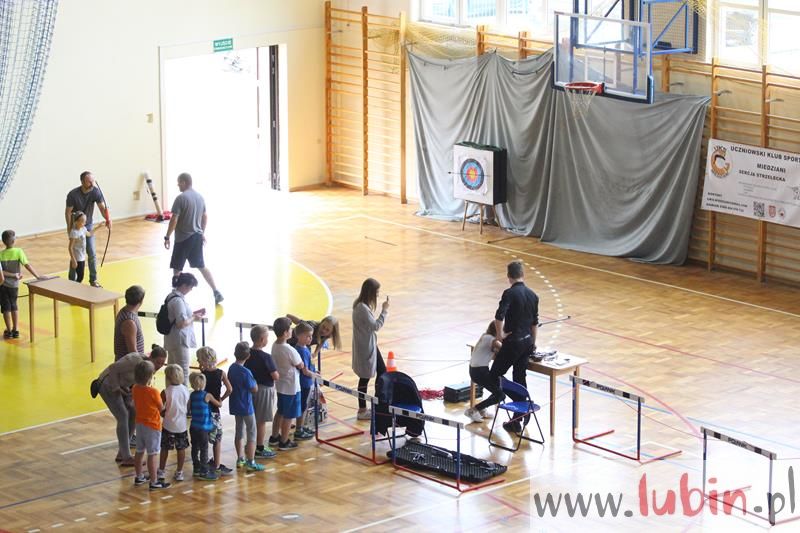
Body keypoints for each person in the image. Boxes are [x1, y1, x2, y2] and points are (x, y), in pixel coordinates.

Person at [487, 260, 539, 432]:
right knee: (520, 377)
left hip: (513, 342)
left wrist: (500, 336)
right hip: (527, 343)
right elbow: (534, 323)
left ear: (509, 276)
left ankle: (521, 402)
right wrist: (533, 343)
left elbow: (499, 316)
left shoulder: (509, 293)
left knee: (493, 376)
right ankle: (517, 419)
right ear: (523, 274)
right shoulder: (533, 295)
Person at [96, 346, 167, 466]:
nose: (159, 366)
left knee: (133, 413)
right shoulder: (135, 361)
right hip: (107, 383)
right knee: (123, 415)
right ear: (151, 357)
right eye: (157, 362)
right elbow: (113, 368)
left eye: (162, 363)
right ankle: (126, 456)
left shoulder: (148, 367)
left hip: (122, 385)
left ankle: (122, 452)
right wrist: (116, 387)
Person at [162, 172, 223, 305]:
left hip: (183, 238)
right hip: (196, 237)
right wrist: (202, 232)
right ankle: (216, 291)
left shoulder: (181, 198)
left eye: (179, 182)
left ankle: (175, 295)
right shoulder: (200, 197)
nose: (178, 185)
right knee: (201, 266)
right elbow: (205, 217)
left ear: (184, 182)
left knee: (177, 267)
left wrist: (167, 236)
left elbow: (174, 219)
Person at [65, 171, 112, 288]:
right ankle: (71, 281)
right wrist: (69, 228)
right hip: (76, 226)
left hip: (88, 224)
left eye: (93, 181)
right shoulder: (73, 194)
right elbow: (68, 212)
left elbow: (102, 208)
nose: (92, 184)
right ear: (82, 182)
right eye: (89, 182)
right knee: (75, 254)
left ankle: (93, 280)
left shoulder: (95, 192)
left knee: (91, 253)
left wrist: (108, 219)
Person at [351, 278, 389, 420]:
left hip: (369, 344)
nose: (378, 295)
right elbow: (376, 326)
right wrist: (384, 311)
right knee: (364, 378)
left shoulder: (361, 305)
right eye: (376, 292)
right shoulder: (362, 308)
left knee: (382, 370)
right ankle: (362, 410)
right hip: (365, 347)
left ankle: (379, 403)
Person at [131, 360, 170, 490]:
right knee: (152, 454)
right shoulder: (153, 392)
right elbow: (161, 408)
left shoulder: (135, 388)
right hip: (152, 426)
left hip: (139, 424)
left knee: (139, 451)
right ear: (150, 376)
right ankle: (154, 482)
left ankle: (139, 476)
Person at [270, 317, 308, 450]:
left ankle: (275, 436)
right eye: (290, 329)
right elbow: (300, 364)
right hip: (291, 387)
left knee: (280, 411)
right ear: (285, 333)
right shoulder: (289, 349)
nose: (292, 331)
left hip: (280, 385)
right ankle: (284, 441)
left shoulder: (274, 345)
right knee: (289, 416)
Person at [228, 341, 265, 472]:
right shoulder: (246, 372)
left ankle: (240, 458)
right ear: (248, 356)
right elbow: (254, 389)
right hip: (246, 405)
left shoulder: (231, 368)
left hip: (235, 404)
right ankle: (251, 461)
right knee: (252, 432)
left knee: (239, 430)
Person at [196, 346, 233, 476]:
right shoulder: (221, 373)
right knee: (217, 438)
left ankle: (202, 464)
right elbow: (230, 389)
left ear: (204, 360)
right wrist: (221, 399)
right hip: (215, 410)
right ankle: (216, 464)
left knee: (203, 437)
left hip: (203, 410)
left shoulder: (201, 376)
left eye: (199, 359)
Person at [244, 325, 279, 459]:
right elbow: (275, 376)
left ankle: (250, 444)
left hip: (250, 389)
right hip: (264, 391)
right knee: (261, 421)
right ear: (262, 339)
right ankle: (259, 448)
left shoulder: (247, 354)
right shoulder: (266, 357)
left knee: (251, 420)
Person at [164, 272, 204, 385]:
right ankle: (183, 395)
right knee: (183, 372)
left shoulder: (171, 296)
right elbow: (181, 323)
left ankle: (170, 393)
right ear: (184, 285)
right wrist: (194, 317)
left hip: (172, 339)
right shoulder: (178, 301)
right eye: (190, 287)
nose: (191, 290)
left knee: (171, 371)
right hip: (180, 341)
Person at [1, 229, 42, 339]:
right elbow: (27, 265)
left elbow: (1, 272)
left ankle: (9, 331)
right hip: (14, 286)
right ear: (13, 241)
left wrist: (10, 275)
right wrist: (37, 276)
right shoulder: (19, 251)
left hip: (3, 285)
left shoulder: (1, 254)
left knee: (6, 307)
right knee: (14, 305)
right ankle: (16, 330)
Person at [464, 322, 504, 423]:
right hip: (480, 371)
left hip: (476, 370)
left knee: (498, 387)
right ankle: (474, 410)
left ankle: (481, 409)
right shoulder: (491, 339)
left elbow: (494, 352)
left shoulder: (485, 336)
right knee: (500, 395)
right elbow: (504, 349)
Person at [157, 364, 191, 483]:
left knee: (164, 448)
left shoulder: (165, 392)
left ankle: (161, 471)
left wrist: (164, 414)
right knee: (181, 448)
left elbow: (160, 408)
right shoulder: (185, 390)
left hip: (168, 424)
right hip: (181, 425)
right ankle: (179, 472)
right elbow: (188, 406)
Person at [188, 372, 221, 481]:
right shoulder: (207, 395)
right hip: (203, 428)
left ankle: (196, 468)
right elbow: (219, 404)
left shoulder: (192, 395)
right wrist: (220, 400)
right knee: (204, 449)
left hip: (193, 427)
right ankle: (204, 471)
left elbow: (188, 409)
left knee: (194, 448)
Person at [292, 321, 317, 440]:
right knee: (302, 407)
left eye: (311, 336)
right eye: (308, 336)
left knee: (303, 406)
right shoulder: (301, 350)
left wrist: (314, 371)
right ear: (299, 336)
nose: (311, 338)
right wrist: (314, 375)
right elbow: (305, 371)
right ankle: (299, 429)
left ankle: (301, 426)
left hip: (306, 382)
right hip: (304, 383)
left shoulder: (305, 348)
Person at [67, 211, 103, 283]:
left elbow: (89, 234)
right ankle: (74, 287)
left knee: (80, 276)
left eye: (85, 221)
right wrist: (73, 260)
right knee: (80, 277)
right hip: (77, 258)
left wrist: (99, 226)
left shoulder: (83, 228)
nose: (85, 223)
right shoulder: (74, 233)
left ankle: (74, 286)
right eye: (83, 221)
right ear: (76, 222)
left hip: (82, 257)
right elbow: (70, 247)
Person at [114, 285, 145, 360]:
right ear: (141, 301)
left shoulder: (125, 311)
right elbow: (133, 352)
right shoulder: (129, 322)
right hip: (128, 364)